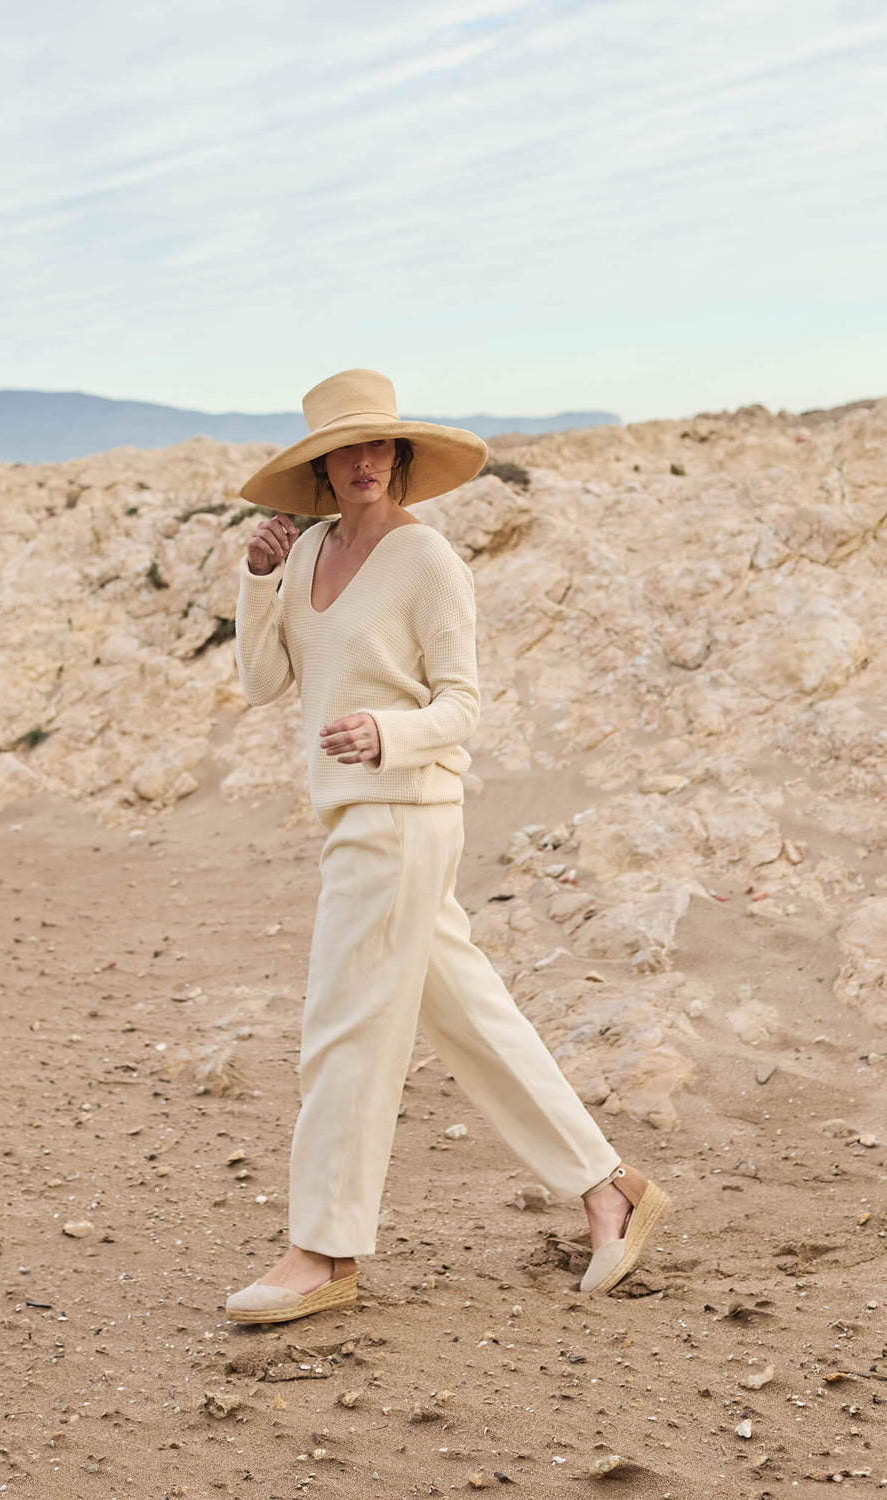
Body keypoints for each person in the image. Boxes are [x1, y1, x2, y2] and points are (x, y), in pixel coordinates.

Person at [224, 369, 670, 1325]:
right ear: (321, 466)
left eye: (377, 444)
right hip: (354, 817)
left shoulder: (428, 561)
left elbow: (463, 704)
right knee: (474, 1020)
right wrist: (258, 584)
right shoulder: (307, 553)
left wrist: (388, 733)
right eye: (344, 448)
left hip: (403, 814)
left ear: (399, 454)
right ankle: (611, 1188)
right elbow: (263, 683)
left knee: (343, 1029)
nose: (364, 461)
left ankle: (322, 1251)